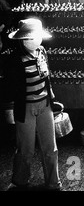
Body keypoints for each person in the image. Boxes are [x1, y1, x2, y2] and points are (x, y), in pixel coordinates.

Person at [3, 18, 62, 191]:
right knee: (25, 149)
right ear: (22, 39)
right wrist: (9, 108)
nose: (35, 41)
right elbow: (8, 87)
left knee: (50, 148)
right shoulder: (13, 59)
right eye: (30, 38)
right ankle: (20, 181)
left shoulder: (41, 51)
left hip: (44, 105)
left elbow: (47, 78)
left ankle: (53, 182)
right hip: (25, 108)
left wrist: (52, 99)